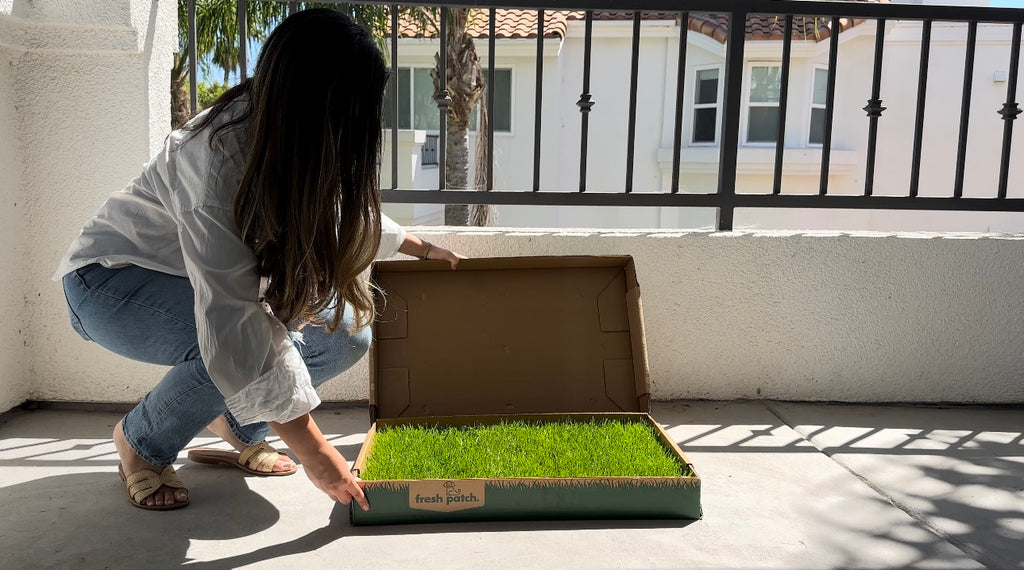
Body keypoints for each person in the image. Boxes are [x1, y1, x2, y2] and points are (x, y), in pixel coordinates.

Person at [54, 9, 462, 512]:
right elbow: (231, 321)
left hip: (189, 284)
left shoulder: (292, 136)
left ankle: (237, 422)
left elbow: (333, 214)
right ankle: (139, 444)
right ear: (313, 100)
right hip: (108, 283)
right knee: (228, 349)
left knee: (345, 335)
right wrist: (318, 455)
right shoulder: (214, 156)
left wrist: (418, 247)